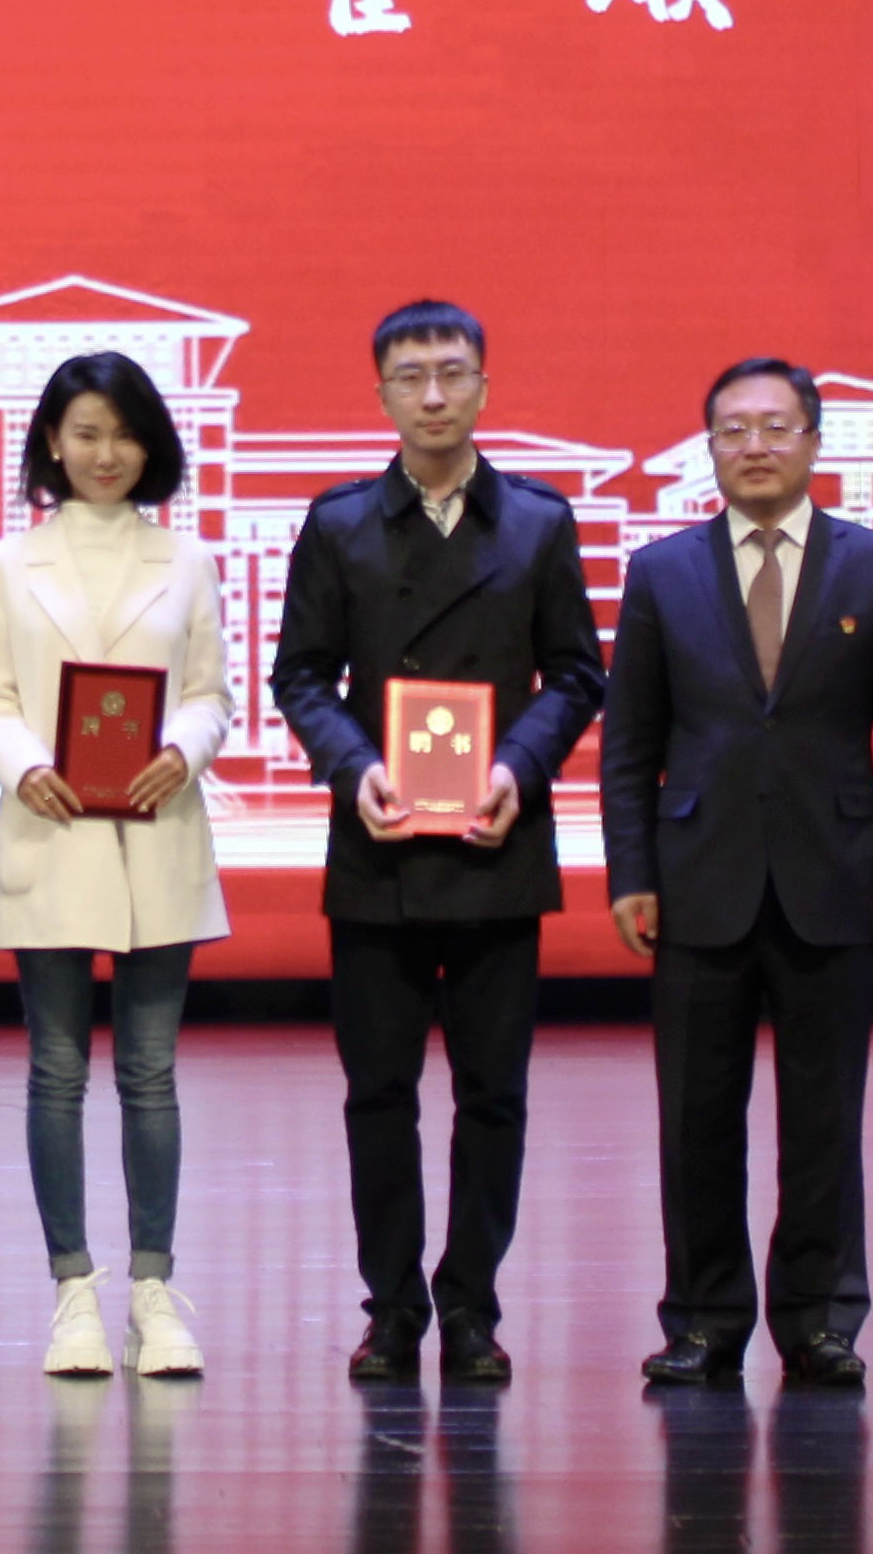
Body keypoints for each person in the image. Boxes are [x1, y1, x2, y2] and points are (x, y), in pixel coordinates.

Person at [269, 299, 607, 1387]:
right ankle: (391, 1309)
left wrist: (518, 766)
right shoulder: (339, 524)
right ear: (380, 394)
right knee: (378, 1095)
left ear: (483, 388)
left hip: (497, 842)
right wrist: (351, 765)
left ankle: (470, 1306)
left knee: (492, 1095)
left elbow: (578, 673)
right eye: (409, 377)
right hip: (379, 850)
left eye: (451, 373)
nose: (431, 395)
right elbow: (299, 675)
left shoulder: (538, 523)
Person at [603, 357, 873, 1391]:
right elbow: (630, 744)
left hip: (832, 877)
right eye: (732, 430)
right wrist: (630, 872)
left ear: (812, 441)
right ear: (708, 448)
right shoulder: (660, 572)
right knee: (694, 1118)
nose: (753, 446)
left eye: (774, 427)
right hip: (695, 879)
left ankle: (820, 1320)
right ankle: (703, 1320)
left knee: (824, 1117)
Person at [0, 350, 234, 1378]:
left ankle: (153, 1293)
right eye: (85, 433)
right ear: (51, 442)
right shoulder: (10, 562)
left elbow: (209, 693)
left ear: (150, 444)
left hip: (158, 829)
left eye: (122, 434)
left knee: (151, 1073)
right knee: (57, 1069)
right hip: (54, 829)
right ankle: (72, 1293)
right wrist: (24, 765)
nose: (104, 452)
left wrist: (185, 750)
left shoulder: (186, 560)